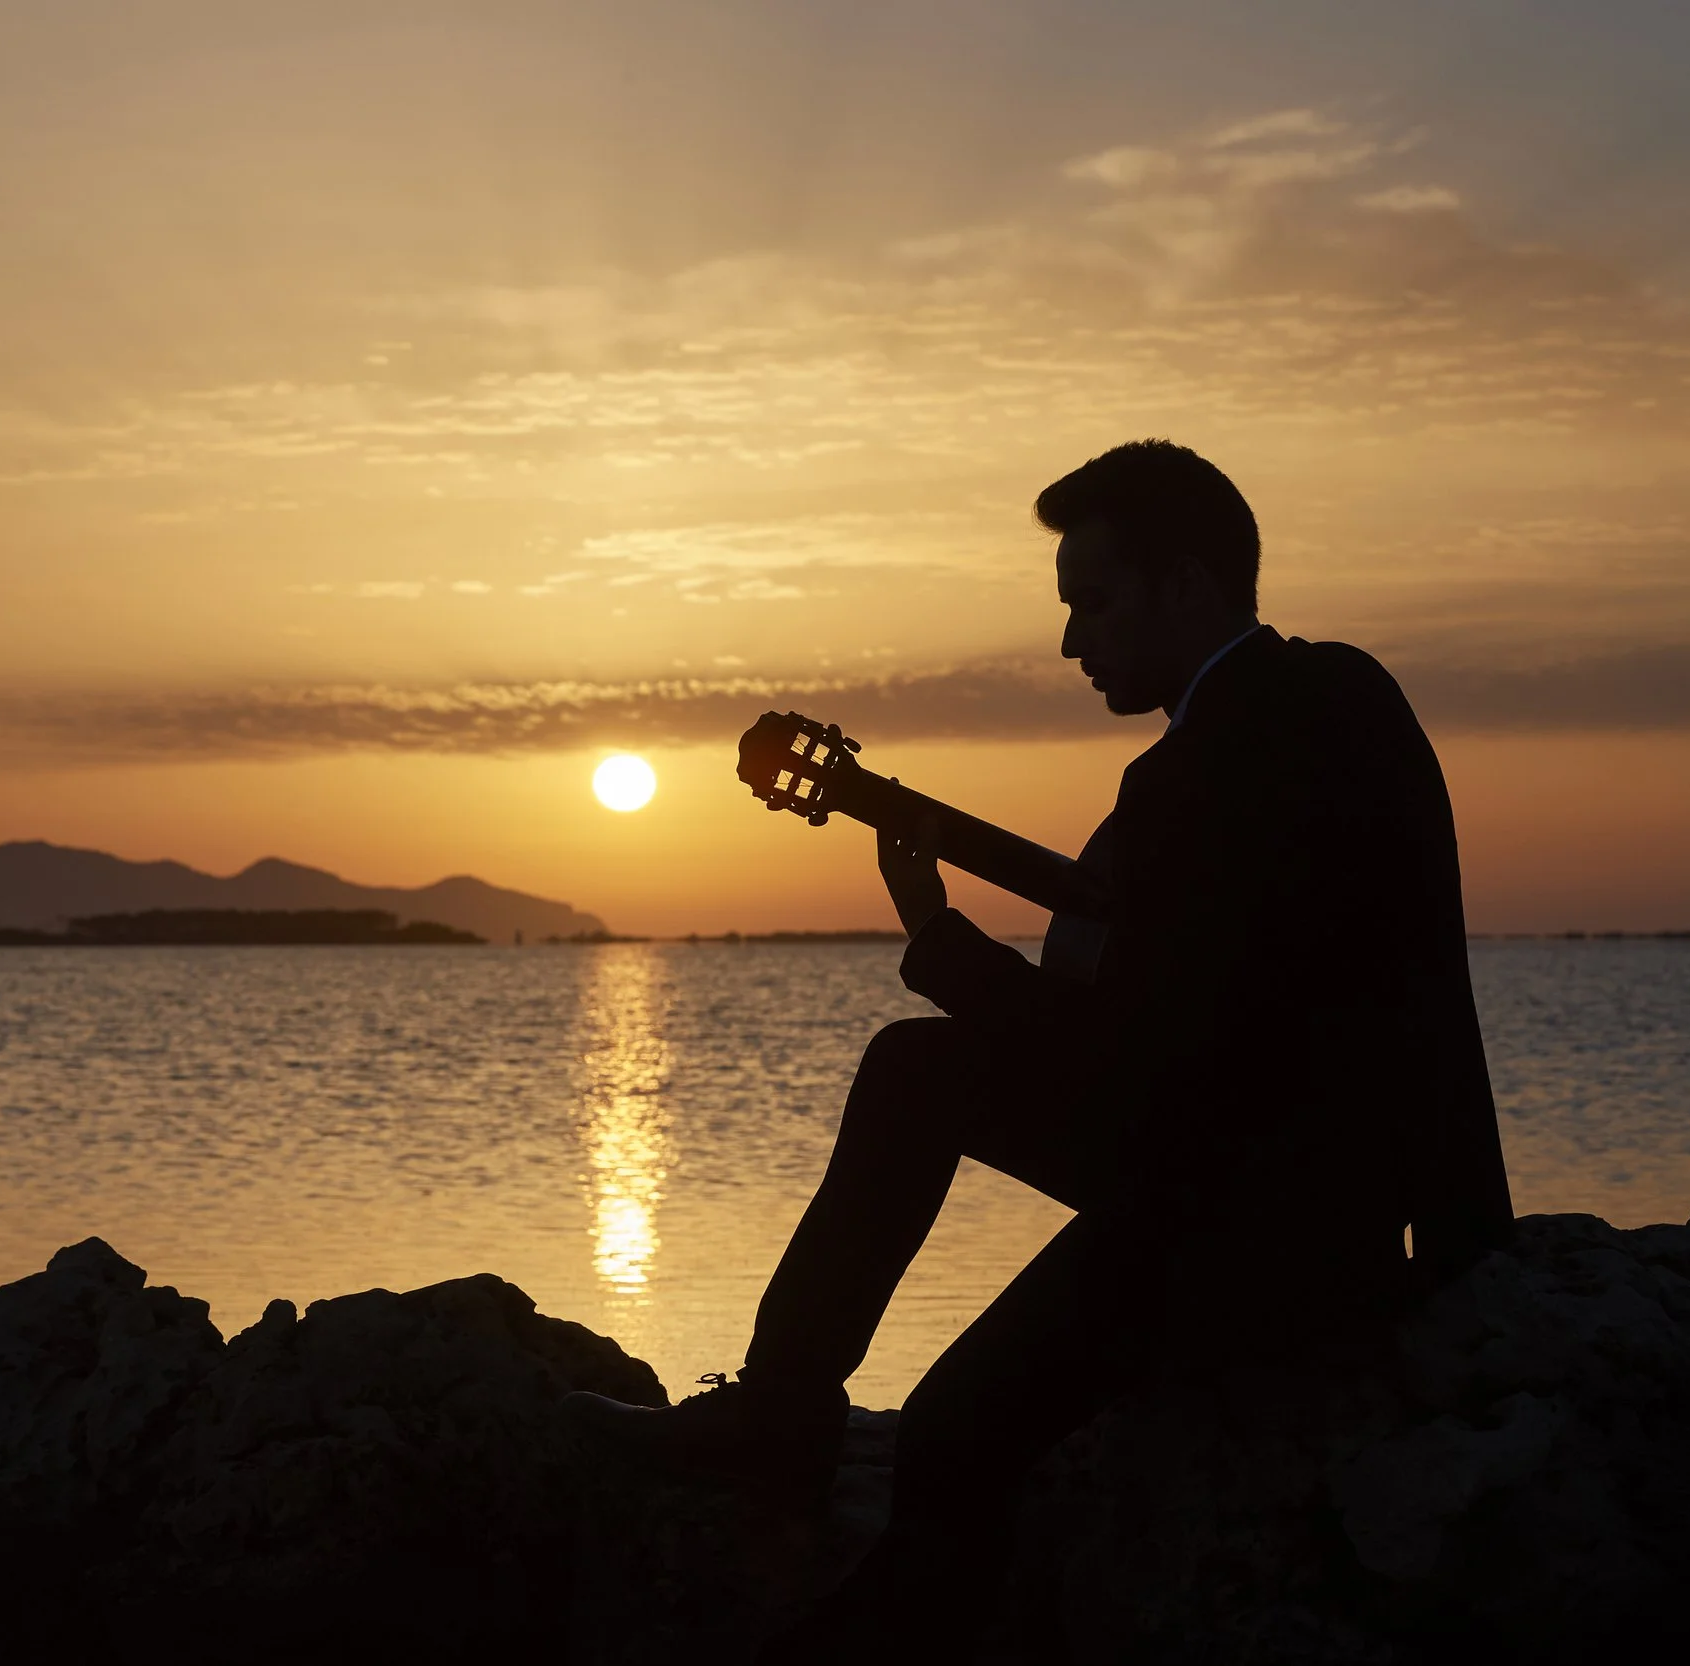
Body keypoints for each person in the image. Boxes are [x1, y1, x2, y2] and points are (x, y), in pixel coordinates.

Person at [563, 439, 1515, 1651]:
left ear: (1185, 584)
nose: (1074, 644)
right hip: (1328, 1189)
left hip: (1256, 1231)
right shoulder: (1344, 695)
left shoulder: (1196, 775)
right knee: (917, 1070)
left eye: (1093, 601)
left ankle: (859, 1550)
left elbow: (1143, 1065)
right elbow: (1240, 1010)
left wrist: (942, 941)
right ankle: (781, 1413)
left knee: (958, 1426)